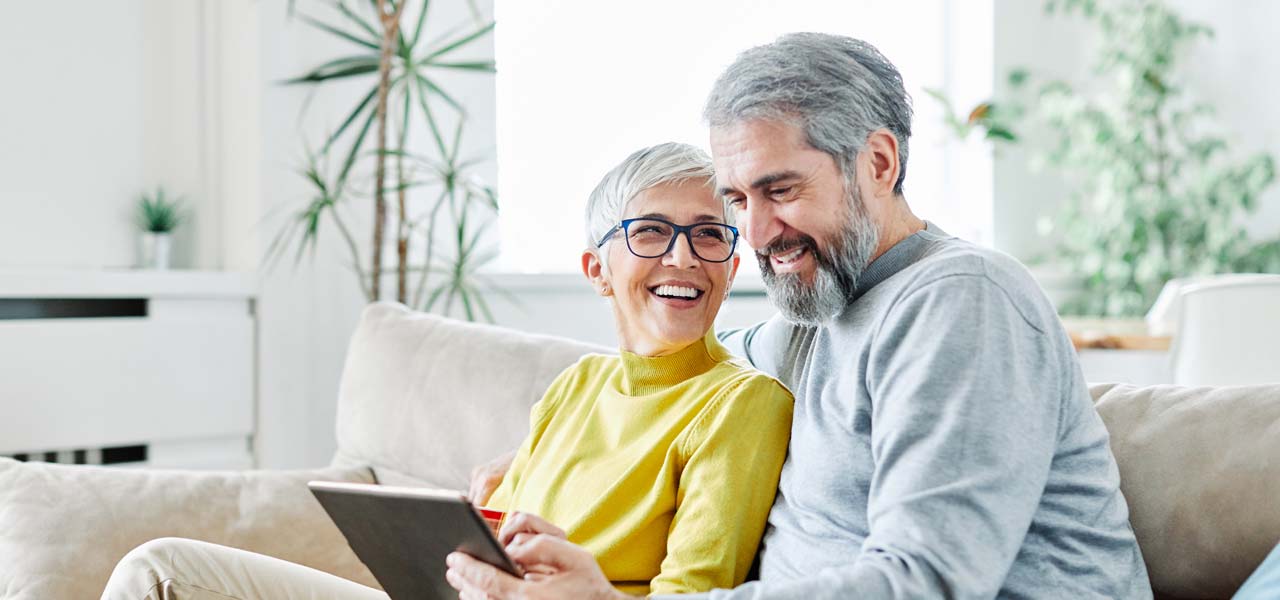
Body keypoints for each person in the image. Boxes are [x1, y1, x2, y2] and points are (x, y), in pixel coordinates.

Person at [446, 33, 1154, 600]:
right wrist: (549, 453)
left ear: (877, 162)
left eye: (779, 190)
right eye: (738, 200)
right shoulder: (812, 316)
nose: (754, 234)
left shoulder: (961, 302)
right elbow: (675, 372)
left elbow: (929, 582)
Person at [100, 143, 793, 599]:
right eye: (650, 232)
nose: (683, 258)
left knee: (161, 573)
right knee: (158, 569)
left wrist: (599, 595)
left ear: (732, 268)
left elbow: (698, 592)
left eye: (709, 235)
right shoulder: (578, 385)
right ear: (597, 271)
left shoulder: (744, 402)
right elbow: (499, 541)